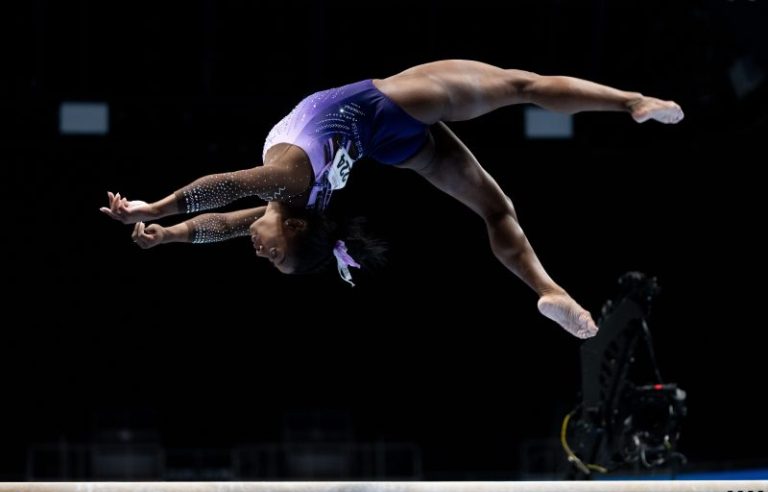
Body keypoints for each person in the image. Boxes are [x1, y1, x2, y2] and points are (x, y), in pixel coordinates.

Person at [101, 59, 683, 339]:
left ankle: (551, 286)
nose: (261, 253)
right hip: (385, 109)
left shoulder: (293, 193)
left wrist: (164, 225)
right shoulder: (293, 193)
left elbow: (225, 209)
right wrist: (158, 214)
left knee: (497, 205)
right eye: (274, 257)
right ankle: (630, 101)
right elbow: (226, 193)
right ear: (298, 231)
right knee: (517, 91)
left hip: (386, 139)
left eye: (268, 256)